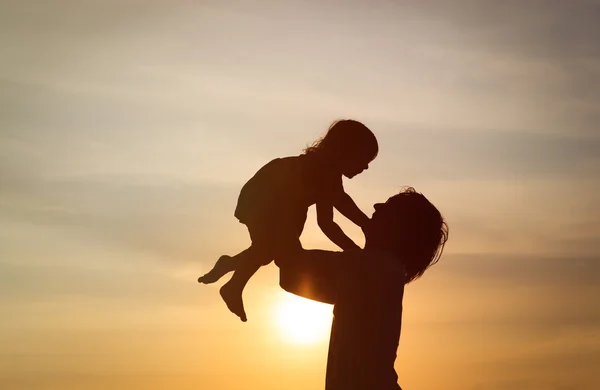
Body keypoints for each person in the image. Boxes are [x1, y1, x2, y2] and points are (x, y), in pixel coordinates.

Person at [198, 119, 379, 322]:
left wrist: (358, 238)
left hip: (285, 208)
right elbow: (337, 210)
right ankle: (231, 278)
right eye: (364, 160)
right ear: (345, 151)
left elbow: (329, 219)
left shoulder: (329, 175)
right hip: (264, 198)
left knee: (270, 251)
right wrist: (357, 245)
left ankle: (232, 279)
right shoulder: (321, 171)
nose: (365, 167)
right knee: (274, 251)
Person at [278, 187, 448, 389]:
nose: (377, 206)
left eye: (389, 207)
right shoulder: (375, 273)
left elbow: (290, 260)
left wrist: (291, 205)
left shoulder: (374, 264)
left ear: (400, 227)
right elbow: (289, 278)